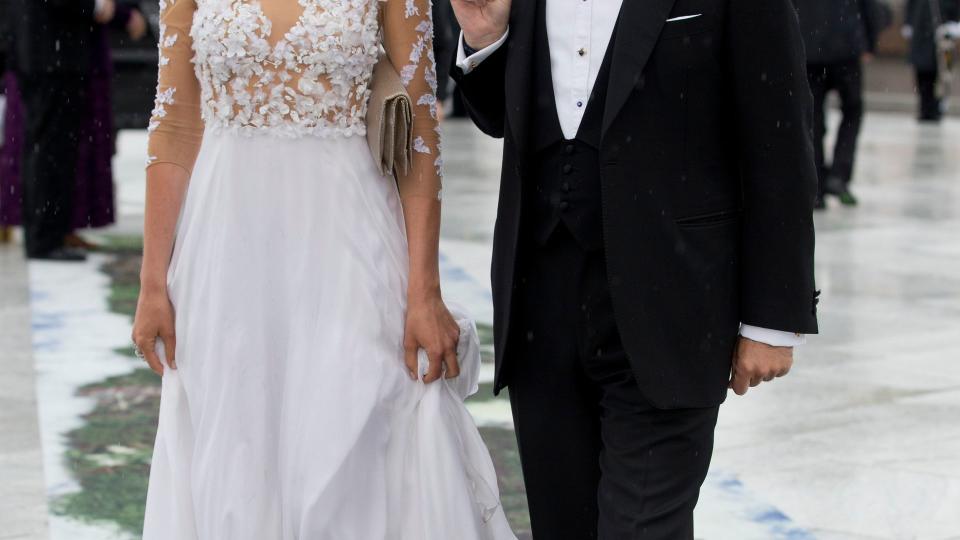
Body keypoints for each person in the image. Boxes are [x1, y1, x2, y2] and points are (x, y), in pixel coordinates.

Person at [131, 0, 516, 538]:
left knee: (357, 436)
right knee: (237, 454)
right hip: (225, 260)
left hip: (352, 247)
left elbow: (421, 127)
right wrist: (153, 281)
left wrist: (424, 289)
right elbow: (173, 123)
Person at [450, 0, 819, 538]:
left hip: (675, 304)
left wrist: (772, 319)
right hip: (540, 308)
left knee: (643, 529)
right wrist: (485, 38)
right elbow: (499, 114)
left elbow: (778, 137)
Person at [0, 3, 148, 247]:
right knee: (48, 148)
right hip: (50, 54)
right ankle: (44, 237)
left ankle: (51, 231)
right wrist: (96, 6)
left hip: (46, 52)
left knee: (51, 147)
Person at [796, 0, 881, 209]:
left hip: (809, 45)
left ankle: (816, 184)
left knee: (812, 118)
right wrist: (869, 42)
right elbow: (869, 7)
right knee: (852, 110)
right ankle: (839, 175)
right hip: (846, 46)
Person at [905, 0, 960, 122]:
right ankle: (925, 108)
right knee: (922, 75)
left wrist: (950, 27)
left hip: (943, 41)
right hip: (921, 37)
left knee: (942, 77)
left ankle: (936, 108)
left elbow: (956, 12)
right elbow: (910, 7)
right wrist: (908, 24)